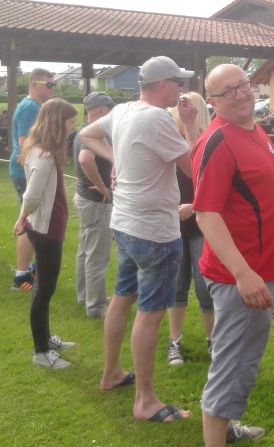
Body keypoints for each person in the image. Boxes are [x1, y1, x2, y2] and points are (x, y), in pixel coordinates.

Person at [79, 56, 197, 422]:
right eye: (178, 82)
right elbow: (194, 168)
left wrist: (116, 158)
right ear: (163, 85)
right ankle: (145, 401)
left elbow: (86, 134)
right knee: (151, 312)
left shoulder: (123, 111)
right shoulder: (157, 119)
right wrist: (191, 126)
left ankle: (111, 373)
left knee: (121, 298)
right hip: (154, 233)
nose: (182, 89)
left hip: (125, 224)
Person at [193, 63, 274, 446]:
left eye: (242, 85)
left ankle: (226, 429)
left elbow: (263, 194)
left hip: (261, 267)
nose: (239, 94)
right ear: (212, 101)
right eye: (227, 91)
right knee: (232, 364)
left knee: (242, 360)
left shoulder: (254, 129)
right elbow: (206, 214)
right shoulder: (218, 141)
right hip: (238, 278)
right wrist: (242, 274)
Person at [13, 98, 78, 369]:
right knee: (44, 289)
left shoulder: (42, 149)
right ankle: (41, 351)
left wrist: (24, 217)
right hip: (45, 229)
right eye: (70, 122)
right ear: (57, 123)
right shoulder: (44, 154)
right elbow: (32, 194)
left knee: (44, 287)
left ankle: (46, 338)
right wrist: (22, 217)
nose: (73, 127)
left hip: (47, 227)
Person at [166, 92, 214, 365]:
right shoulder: (171, 142)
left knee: (206, 288)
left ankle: (212, 341)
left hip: (201, 225)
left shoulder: (208, 142)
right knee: (177, 286)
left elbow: (208, 181)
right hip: (174, 225)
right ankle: (174, 342)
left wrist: (194, 207)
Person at [9, 68, 56, 291]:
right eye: (49, 84)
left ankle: (28, 268)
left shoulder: (35, 107)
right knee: (28, 222)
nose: (52, 89)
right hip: (26, 172)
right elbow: (24, 142)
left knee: (32, 221)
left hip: (29, 170)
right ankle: (21, 276)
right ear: (34, 84)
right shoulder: (30, 108)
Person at [73, 91, 116, 319]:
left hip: (85, 199)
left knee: (85, 252)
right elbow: (85, 159)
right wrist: (102, 187)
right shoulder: (93, 134)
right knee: (97, 256)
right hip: (96, 201)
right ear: (101, 111)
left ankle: (85, 296)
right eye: (110, 111)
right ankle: (96, 306)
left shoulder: (83, 130)